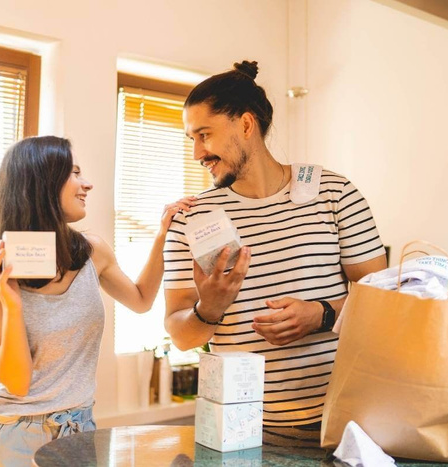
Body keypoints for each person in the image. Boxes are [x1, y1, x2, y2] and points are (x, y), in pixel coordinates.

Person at [163, 60, 387, 427]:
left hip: (343, 420)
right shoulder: (190, 217)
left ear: (246, 124)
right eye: (192, 139)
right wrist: (210, 308)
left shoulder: (334, 193)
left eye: (204, 135)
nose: (197, 153)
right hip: (238, 427)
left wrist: (321, 314)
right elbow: (181, 336)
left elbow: (384, 304)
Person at [0, 135, 193, 466]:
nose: (87, 184)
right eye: (74, 173)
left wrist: (162, 237)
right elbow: (17, 382)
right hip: (16, 435)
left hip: (79, 427)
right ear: (42, 184)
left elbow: (141, 300)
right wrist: (12, 303)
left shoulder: (91, 251)